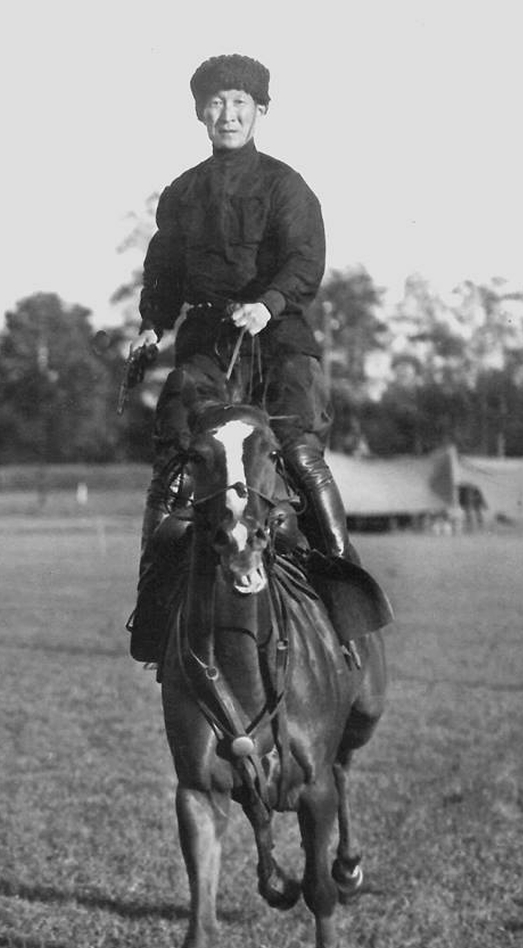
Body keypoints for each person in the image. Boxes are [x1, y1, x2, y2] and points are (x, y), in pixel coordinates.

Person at [128, 53, 358, 566]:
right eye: (216, 103)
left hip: (280, 344)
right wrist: (151, 326)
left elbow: (305, 259)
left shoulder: (286, 185)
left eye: (239, 102)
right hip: (206, 346)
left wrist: (268, 305)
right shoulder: (182, 192)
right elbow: (163, 270)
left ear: (261, 110)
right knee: (176, 458)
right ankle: (153, 583)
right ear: (199, 113)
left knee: (298, 452)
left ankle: (346, 575)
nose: (228, 115)